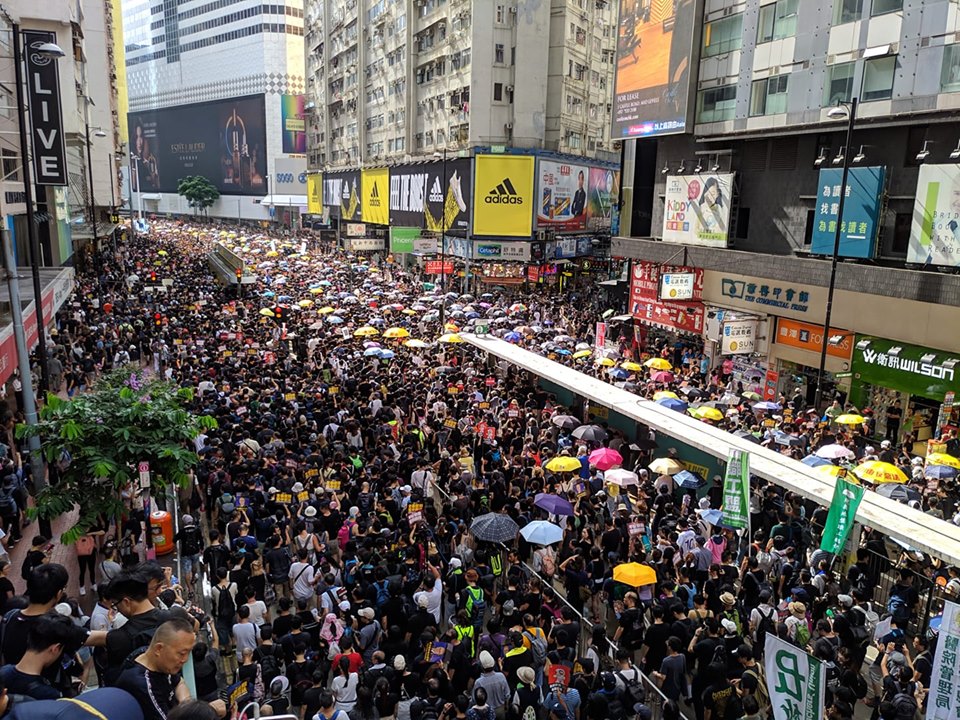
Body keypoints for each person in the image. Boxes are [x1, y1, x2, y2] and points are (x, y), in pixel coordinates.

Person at [115, 617, 226, 720]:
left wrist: (186, 706)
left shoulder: (155, 659)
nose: (185, 659)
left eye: (188, 653)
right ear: (159, 648)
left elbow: (179, 682)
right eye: (182, 653)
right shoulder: (142, 685)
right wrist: (205, 711)